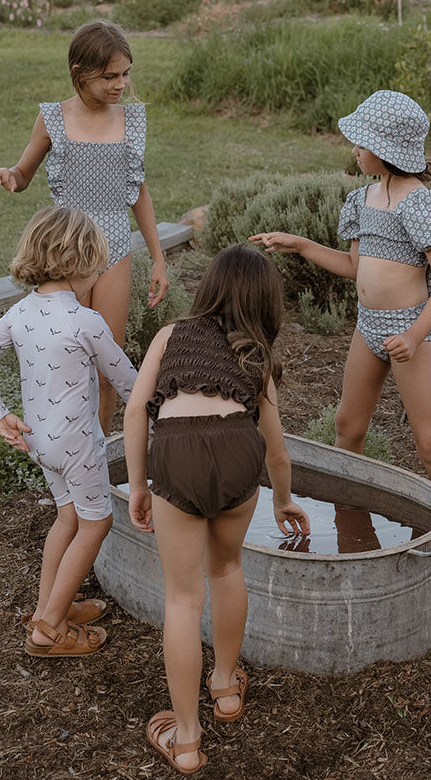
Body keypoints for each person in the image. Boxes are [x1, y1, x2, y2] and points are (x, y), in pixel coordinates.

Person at [248, 89, 431, 610]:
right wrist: (301, 245)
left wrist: (415, 333)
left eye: (360, 143)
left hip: (412, 332)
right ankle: (349, 529)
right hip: (368, 328)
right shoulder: (361, 200)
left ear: (386, 147)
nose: (354, 151)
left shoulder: (421, 203)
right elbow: (355, 267)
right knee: (347, 427)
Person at [124, 245, 309, 775]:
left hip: (176, 452)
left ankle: (186, 740)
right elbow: (275, 448)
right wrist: (282, 498)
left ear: (209, 287)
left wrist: (139, 484)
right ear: (263, 301)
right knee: (227, 568)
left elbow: (138, 410)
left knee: (183, 600)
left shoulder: (170, 335)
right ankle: (226, 688)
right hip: (237, 452)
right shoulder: (255, 354)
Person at [0, 19, 168, 437]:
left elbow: (138, 192)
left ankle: (97, 450)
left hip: (115, 249)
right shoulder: (52, 119)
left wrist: (158, 256)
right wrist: (8, 175)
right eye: (109, 76)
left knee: (106, 362)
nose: (121, 84)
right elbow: (23, 174)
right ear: (80, 73)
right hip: (65, 256)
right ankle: (60, 445)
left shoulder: (131, 121)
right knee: (64, 360)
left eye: (125, 74)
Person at [0, 206, 138, 657]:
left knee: (68, 518)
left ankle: (51, 604)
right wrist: (171, 404)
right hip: (78, 445)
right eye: (95, 266)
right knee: (96, 523)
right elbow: (129, 385)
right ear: (76, 264)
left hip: (40, 444)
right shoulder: (87, 321)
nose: (96, 276)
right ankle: (48, 629)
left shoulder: (20, 312)